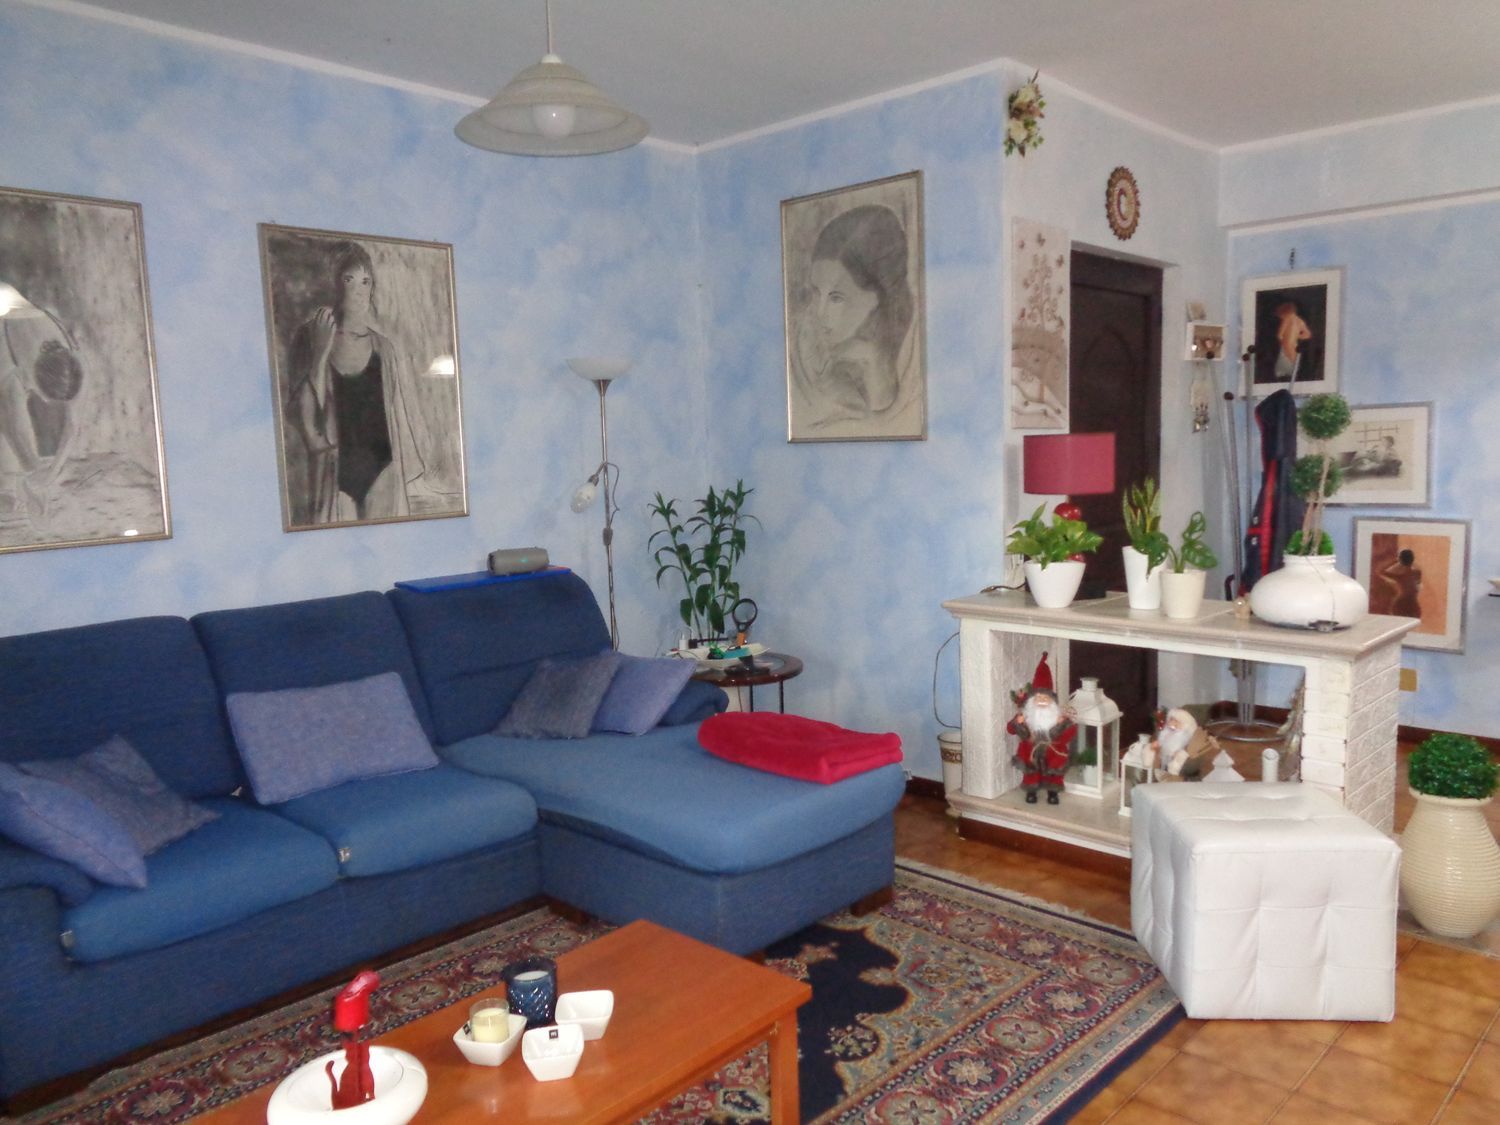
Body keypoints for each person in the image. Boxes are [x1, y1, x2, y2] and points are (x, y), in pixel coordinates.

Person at [285, 241, 433, 524]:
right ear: (334, 284)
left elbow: (397, 419)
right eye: (349, 279)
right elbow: (306, 424)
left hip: (383, 471)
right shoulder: (309, 338)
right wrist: (320, 355)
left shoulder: (384, 348)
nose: (358, 290)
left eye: (366, 281)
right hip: (333, 474)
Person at [793, 204, 915, 425]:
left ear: (875, 297)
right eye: (817, 292)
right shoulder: (801, 347)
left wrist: (873, 361)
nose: (819, 313)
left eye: (836, 298)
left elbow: (885, 418)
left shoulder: (908, 345)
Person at [0, 300, 84, 534]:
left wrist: (52, 473)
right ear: (33, 374)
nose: (46, 403)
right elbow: (11, 423)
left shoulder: (74, 366)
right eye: (44, 395)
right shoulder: (12, 359)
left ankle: (26, 485)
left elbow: (73, 426)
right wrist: (34, 474)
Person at [1007, 653, 1075, 804]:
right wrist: (1017, 723)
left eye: (1046, 698)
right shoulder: (1026, 715)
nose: (1042, 701)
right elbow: (1010, 730)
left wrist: (1062, 724)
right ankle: (1031, 791)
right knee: (1030, 770)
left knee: (1054, 770)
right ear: (1032, 700)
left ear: (1052, 701)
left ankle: (1053, 792)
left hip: (1053, 750)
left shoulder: (1058, 717)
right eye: (1039, 698)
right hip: (1030, 750)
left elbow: (1070, 734)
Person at [1273, 300, 1312, 381]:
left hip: (1285, 345)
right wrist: (1296, 336)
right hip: (1294, 345)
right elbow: (1308, 335)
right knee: (1293, 364)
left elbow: (1279, 335)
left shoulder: (1287, 319)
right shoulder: (1300, 321)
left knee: (1282, 368)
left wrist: (1284, 339)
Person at [1378, 548, 1422, 618]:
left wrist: (1395, 561)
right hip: (1408, 604)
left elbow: (1381, 571)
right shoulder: (1416, 573)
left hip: (1405, 604)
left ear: (1400, 560)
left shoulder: (1400, 576)